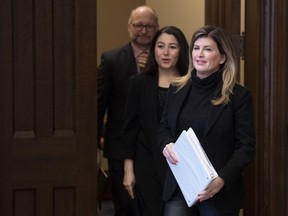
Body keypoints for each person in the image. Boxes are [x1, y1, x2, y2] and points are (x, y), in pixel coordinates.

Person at [157, 25, 255, 216]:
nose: (199, 54)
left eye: (208, 49)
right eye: (196, 48)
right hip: (180, 187)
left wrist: (222, 179)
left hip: (218, 192)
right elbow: (163, 128)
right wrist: (167, 144)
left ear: (222, 57)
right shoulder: (176, 89)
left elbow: (246, 147)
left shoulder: (238, 96)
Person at [97, 5, 159, 216]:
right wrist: (97, 140)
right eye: (139, 25)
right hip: (119, 145)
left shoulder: (166, 59)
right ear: (129, 27)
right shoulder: (111, 59)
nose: (144, 31)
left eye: (149, 26)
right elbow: (99, 104)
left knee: (152, 204)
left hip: (154, 146)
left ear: (157, 27)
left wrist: (150, 71)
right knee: (125, 205)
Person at [122, 26, 189, 216]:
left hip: (181, 165)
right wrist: (128, 170)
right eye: (160, 46)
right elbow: (129, 130)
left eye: (172, 47)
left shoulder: (191, 84)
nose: (166, 52)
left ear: (182, 50)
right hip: (147, 164)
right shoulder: (138, 83)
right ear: (154, 50)